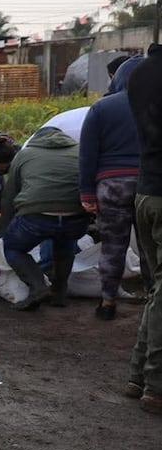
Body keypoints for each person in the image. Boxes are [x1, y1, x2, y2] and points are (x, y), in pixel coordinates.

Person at [79, 56, 145, 320]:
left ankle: (107, 302)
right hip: (149, 184)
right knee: (150, 246)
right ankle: (154, 300)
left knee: (112, 246)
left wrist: (86, 193)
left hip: (111, 186)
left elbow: (87, 155)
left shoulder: (101, 108)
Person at [0, 126, 90, 311]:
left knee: (14, 248)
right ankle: (59, 294)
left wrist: (4, 229)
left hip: (36, 216)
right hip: (75, 216)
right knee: (65, 248)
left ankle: (38, 287)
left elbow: (9, 196)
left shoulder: (25, 155)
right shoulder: (80, 152)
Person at [126, 46, 162, 413]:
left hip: (147, 193)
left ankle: (139, 377)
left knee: (158, 289)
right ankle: (156, 383)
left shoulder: (139, 72)